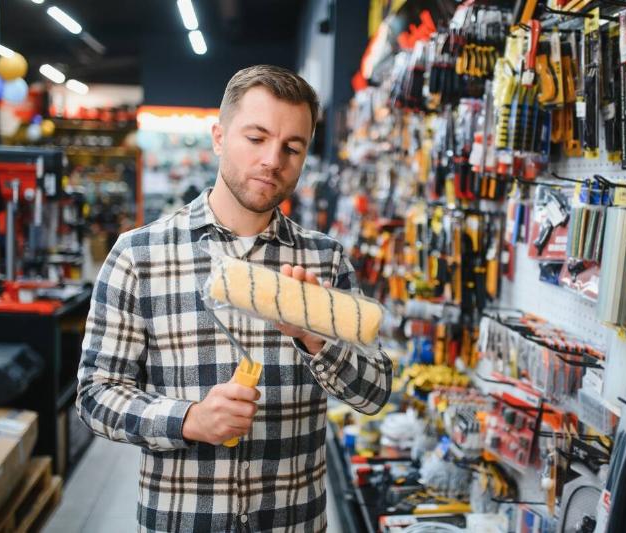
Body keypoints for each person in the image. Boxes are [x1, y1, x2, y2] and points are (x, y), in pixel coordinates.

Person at [76, 65, 393, 532]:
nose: (273, 160)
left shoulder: (324, 261)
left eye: (292, 147)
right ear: (219, 136)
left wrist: (315, 339)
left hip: (292, 522)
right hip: (181, 521)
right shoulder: (138, 255)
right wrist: (188, 420)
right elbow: (95, 395)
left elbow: (374, 393)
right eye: (256, 138)